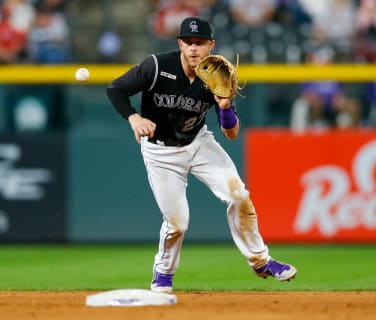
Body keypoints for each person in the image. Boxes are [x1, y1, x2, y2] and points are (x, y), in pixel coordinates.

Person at [106, 16, 297, 293]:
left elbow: (231, 134)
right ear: (180, 43)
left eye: (200, 43)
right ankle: (163, 272)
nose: (194, 48)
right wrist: (134, 117)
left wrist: (224, 107)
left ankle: (261, 261)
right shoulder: (158, 66)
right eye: (189, 42)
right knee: (177, 223)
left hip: (198, 143)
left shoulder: (214, 75)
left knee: (239, 195)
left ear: (211, 45)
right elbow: (116, 89)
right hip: (161, 152)